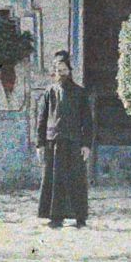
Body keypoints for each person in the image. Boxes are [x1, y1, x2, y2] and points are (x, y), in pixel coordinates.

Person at [34, 52, 95, 228]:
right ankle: (55, 216)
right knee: (55, 180)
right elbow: (42, 119)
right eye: (58, 70)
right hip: (54, 142)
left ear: (69, 70)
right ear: (55, 72)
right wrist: (40, 144)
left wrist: (86, 145)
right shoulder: (49, 92)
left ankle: (80, 216)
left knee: (76, 179)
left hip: (74, 143)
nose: (61, 73)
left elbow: (87, 122)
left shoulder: (80, 93)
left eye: (64, 70)